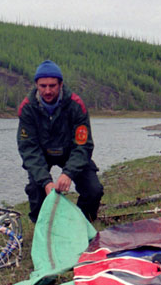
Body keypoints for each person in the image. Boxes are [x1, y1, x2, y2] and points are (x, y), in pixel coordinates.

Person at [17, 60, 104, 222]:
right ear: (36, 84)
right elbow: (28, 149)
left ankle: (84, 222)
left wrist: (68, 173)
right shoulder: (27, 108)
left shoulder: (76, 105)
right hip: (42, 154)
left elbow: (83, 145)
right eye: (43, 86)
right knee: (36, 190)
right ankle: (42, 228)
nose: (48, 91)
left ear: (61, 84)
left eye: (52, 86)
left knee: (94, 190)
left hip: (70, 152)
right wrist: (46, 182)